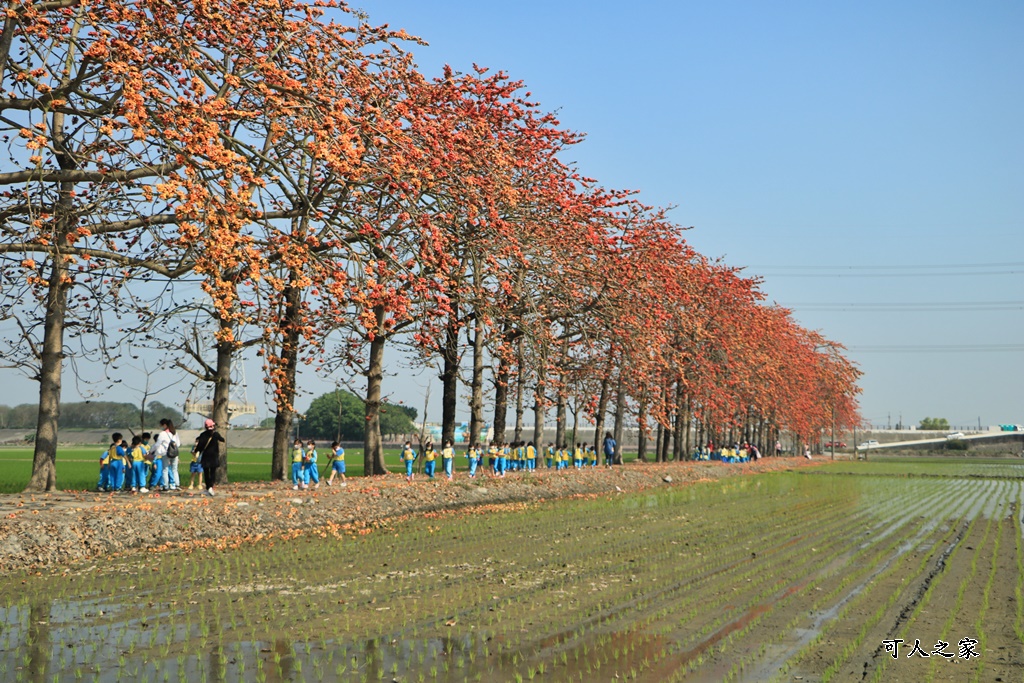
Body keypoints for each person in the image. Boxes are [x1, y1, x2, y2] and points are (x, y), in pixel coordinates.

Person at [195, 418, 225, 496]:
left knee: (206, 473)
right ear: (213, 426)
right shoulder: (215, 434)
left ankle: (208, 488)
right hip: (214, 456)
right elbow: (222, 440)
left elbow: (199, 446)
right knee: (213, 472)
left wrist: (196, 452)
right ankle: (211, 487)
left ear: (205, 426)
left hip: (206, 457)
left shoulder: (203, 435)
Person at [154, 419, 182, 491]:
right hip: (175, 454)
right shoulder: (175, 433)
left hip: (166, 453)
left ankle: (166, 486)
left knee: (165, 470)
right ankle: (177, 485)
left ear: (165, 425)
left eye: (162, 425)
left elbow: (157, 444)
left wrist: (152, 451)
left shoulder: (163, 434)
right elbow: (178, 444)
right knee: (175, 469)